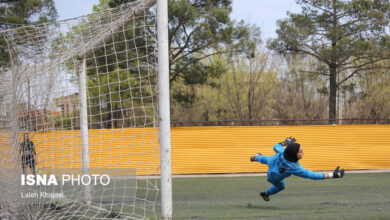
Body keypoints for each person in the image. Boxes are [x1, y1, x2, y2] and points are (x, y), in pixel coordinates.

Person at [250, 137, 344, 201]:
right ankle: (266, 194)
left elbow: (276, 146)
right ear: (294, 155)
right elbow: (313, 175)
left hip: (274, 161)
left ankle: (256, 157)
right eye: (300, 151)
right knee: (281, 186)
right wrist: (333, 175)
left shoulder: (284, 151)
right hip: (273, 175)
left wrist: (285, 142)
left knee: (267, 159)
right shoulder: (294, 168)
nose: (302, 152)